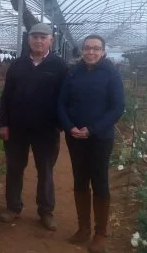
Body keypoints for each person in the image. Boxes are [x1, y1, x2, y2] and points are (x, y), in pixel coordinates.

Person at [0, 23, 68, 231]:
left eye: (43, 37)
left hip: (46, 130)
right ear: (28, 40)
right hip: (17, 129)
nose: (38, 40)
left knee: (45, 170)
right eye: (35, 37)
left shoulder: (59, 66)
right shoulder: (18, 65)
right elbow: (6, 97)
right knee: (14, 168)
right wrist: (4, 124)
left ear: (51, 41)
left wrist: (60, 124)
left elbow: (66, 98)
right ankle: (13, 207)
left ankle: (46, 211)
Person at [57, 35, 125, 253]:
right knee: (80, 179)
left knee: (99, 181)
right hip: (76, 137)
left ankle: (100, 233)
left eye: (96, 49)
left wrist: (93, 128)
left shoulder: (111, 74)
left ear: (103, 52)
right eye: (87, 48)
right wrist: (69, 127)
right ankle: (83, 228)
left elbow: (117, 107)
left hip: (99, 138)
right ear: (82, 51)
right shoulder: (74, 72)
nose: (91, 52)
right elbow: (61, 103)